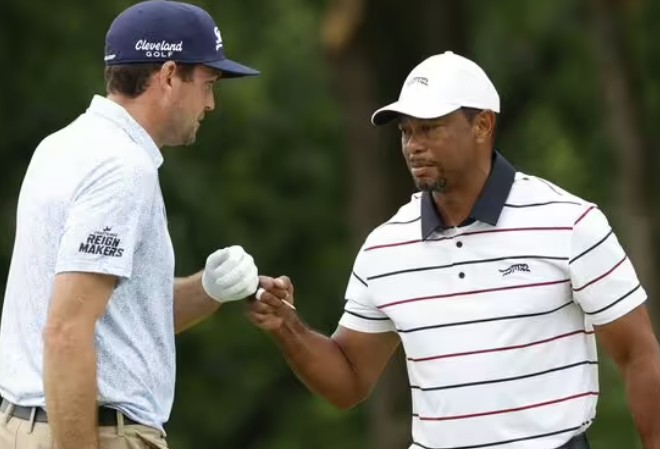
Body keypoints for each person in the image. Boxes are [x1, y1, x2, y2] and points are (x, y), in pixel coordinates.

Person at [248, 51, 660, 449]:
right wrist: (288, 327)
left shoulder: (569, 223)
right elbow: (349, 381)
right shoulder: (385, 249)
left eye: (430, 128)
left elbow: (639, 355)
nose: (413, 145)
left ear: (482, 125)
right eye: (406, 131)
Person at [0, 1, 262, 448]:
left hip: (24, 427)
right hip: (94, 434)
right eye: (208, 83)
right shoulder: (123, 168)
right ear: (167, 76)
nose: (212, 103)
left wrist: (208, 289)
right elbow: (66, 332)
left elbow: (117, 321)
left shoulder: (61, 147)